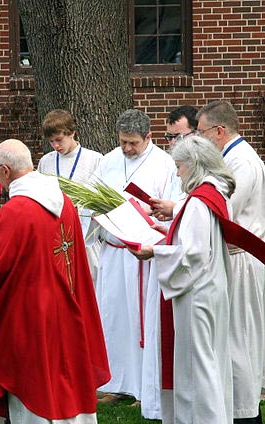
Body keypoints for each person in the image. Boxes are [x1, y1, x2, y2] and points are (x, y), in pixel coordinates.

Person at [0, 139, 110, 424]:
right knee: (62, 375)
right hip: (64, 303)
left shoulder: (17, 210)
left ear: (4, 170)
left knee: (34, 377)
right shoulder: (64, 201)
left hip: (29, 310)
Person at [130, 135, 235, 424]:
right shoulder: (211, 195)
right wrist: (167, 233)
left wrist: (154, 252)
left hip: (197, 292)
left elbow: (191, 254)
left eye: (179, 166)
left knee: (195, 361)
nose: (177, 174)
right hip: (210, 287)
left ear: (194, 165)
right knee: (207, 359)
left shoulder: (200, 202)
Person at [196, 100, 265, 424]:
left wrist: (184, 209)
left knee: (240, 334)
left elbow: (226, 209)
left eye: (201, 134)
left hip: (243, 257)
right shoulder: (230, 157)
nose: (199, 141)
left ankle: (246, 416)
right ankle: (236, 408)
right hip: (235, 256)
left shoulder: (241, 160)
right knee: (231, 333)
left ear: (219, 130)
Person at [88, 109, 182, 405]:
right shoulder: (109, 160)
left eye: (133, 143)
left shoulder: (165, 164)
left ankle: (145, 387)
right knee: (114, 317)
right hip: (114, 252)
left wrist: (148, 215)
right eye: (123, 142)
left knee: (143, 321)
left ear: (149, 137)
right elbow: (92, 196)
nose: (127, 149)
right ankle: (117, 384)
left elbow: (171, 207)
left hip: (144, 255)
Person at [37, 109, 103, 283]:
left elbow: (100, 202)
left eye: (59, 140)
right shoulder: (46, 161)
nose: (56, 146)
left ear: (72, 132)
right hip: (55, 239)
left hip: (85, 239)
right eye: (51, 142)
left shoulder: (94, 160)